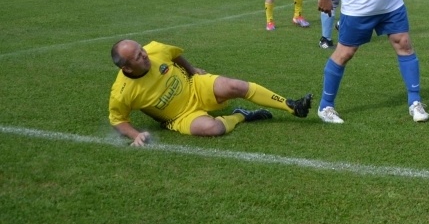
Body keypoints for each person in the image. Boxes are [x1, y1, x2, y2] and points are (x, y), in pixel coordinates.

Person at [108, 39, 312, 146]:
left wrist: (193, 71)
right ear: (126, 68)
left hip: (195, 86)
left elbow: (175, 55)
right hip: (181, 117)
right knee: (213, 129)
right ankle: (241, 116)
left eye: (140, 49)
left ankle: (292, 106)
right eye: (137, 56)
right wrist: (135, 135)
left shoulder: (154, 50)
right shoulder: (122, 92)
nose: (144, 54)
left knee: (236, 86)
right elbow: (118, 120)